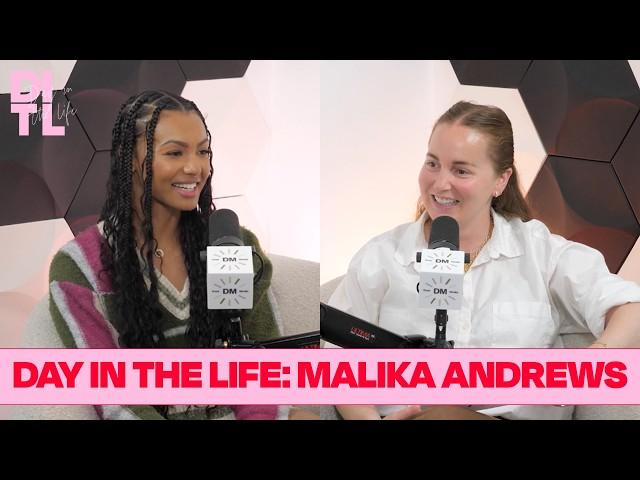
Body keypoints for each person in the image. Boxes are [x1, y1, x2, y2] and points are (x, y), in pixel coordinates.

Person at [328, 100, 640, 420]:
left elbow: (631, 309)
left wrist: (591, 365)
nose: (440, 183)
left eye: (460, 170)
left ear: (500, 181)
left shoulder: (541, 254)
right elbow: (335, 360)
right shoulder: (381, 257)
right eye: (432, 163)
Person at [46, 90, 307, 420]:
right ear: (130, 158)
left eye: (203, 152)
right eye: (174, 153)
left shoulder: (232, 244)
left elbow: (264, 370)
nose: (195, 167)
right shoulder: (79, 268)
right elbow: (115, 399)